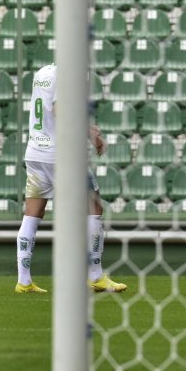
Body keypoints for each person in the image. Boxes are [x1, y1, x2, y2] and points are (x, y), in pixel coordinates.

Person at [15, 64, 127, 294]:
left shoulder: (43, 72)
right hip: (62, 155)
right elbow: (60, 109)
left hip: (36, 152)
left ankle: (23, 281)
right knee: (93, 207)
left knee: (32, 214)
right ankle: (95, 276)